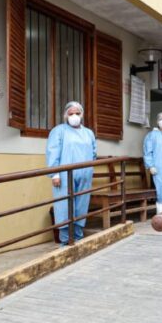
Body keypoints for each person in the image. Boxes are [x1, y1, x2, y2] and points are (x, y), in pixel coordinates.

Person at [46, 101, 97, 246]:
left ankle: (78, 237)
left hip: (85, 174)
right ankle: (65, 241)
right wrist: (55, 174)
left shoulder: (88, 133)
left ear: (82, 115)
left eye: (77, 113)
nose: (74, 116)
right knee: (64, 205)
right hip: (64, 175)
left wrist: (89, 169)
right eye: (71, 113)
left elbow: (93, 153)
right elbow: (52, 152)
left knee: (81, 205)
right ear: (65, 115)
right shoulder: (59, 131)